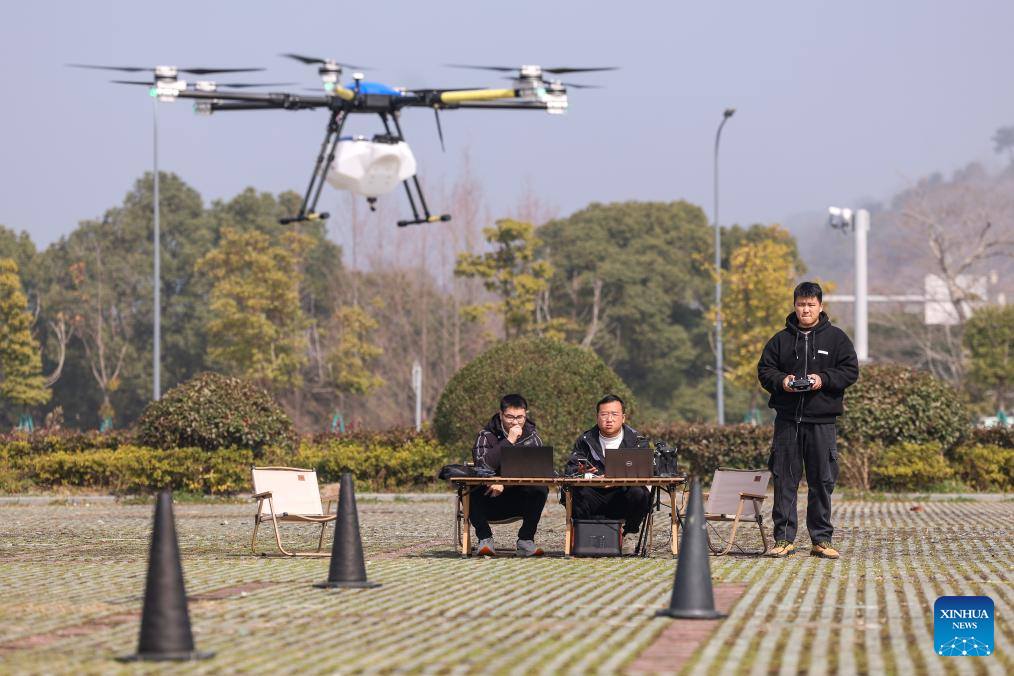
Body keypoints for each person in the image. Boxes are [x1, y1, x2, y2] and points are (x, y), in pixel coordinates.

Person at [757, 281, 859, 559]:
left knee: (822, 480)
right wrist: (783, 381)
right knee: (784, 480)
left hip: (822, 422)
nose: (805, 309)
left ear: (820, 306)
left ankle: (821, 539)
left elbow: (850, 371)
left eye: (811, 305)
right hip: (787, 421)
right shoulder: (780, 340)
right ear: (794, 306)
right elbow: (765, 371)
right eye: (801, 304)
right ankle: (783, 539)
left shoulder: (836, 339)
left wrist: (822, 379)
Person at [469, 394, 549, 557]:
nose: (515, 422)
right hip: (488, 499)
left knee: (541, 488)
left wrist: (503, 482)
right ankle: (485, 539)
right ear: (501, 415)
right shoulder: (485, 436)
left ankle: (525, 540)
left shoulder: (532, 438)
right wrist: (509, 441)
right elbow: (482, 466)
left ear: (526, 414)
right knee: (468, 488)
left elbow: (536, 471)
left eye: (520, 417)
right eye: (510, 417)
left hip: (518, 498)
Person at [564, 394, 651, 540]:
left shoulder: (637, 441)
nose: (609, 419)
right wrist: (580, 472)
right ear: (597, 417)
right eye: (604, 414)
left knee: (639, 492)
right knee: (574, 492)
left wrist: (615, 479)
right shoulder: (585, 440)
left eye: (614, 414)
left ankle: (628, 533)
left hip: (622, 495)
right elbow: (570, 470)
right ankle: (585, 536)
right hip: (594, 494)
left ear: (623, 418)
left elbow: (645, 472)